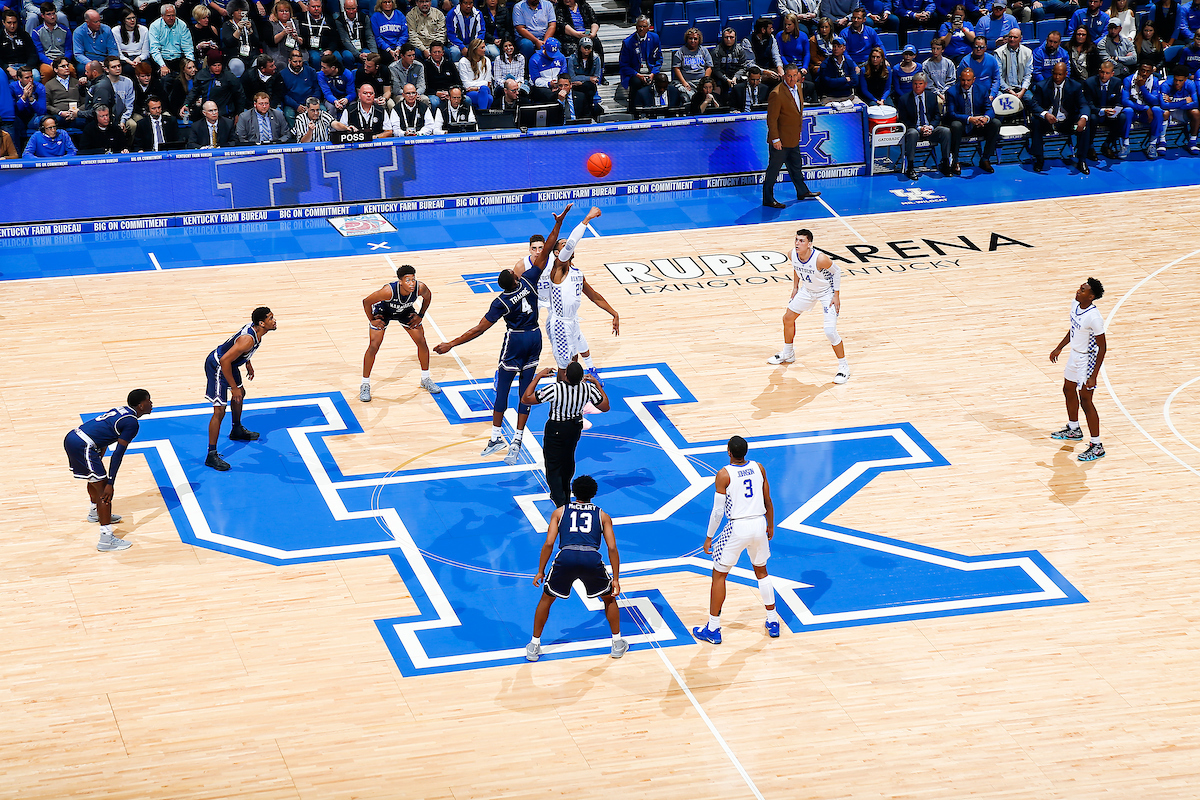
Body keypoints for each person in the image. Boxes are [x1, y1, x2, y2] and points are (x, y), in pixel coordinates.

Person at [433, 204, 572, 466]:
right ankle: (518, 439)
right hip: (535, 338)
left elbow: (478, 329)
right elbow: (549, 247)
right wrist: (558, 223)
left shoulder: (501, 301)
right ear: (516, 280)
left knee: (503, 389)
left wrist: (451, 343)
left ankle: (497, 436)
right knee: (527, 390)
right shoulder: (530, 279)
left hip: (516, 340)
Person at [527, 475, 626, 661]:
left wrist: (541, 570)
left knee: (546, 599)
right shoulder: (603, 515)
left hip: (566, 557)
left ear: (573, 491)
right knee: (609, 599)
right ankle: (617, 643)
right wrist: (616, 579)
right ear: (594, 494)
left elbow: (549, 543)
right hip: (591, 558)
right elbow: (612, 548)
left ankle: (534, 645)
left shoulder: (559, 512)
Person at [692, 435, 779, 644]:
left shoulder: (724, 474)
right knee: (762, 571)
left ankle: (713, 628)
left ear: (729, 452)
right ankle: (773, 620)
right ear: (745, 452)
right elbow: (768, 499)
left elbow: (717, 511)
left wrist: (709, 537)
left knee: (719, 575)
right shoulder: (759, 467)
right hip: (759, 523)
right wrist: (770, 524)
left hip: (737, 528)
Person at [63, 388, 154, 552]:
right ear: (141, 405)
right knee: (104, 492)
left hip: (75, 437)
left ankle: (94, 513)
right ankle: (106, 540)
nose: (151, 403)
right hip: (84, 445)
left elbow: (104, 438)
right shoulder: (132, 423)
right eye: (149, 400)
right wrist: (110, 483)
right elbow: (118, 454)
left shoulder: (121, 411)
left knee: (96, 479)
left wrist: (98, 462)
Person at [535, 206, 617, 386]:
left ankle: (573, 394)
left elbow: (595, 296)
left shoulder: (578, 273)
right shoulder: (558, 268)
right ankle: (560, 398)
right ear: (557, 253)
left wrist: (614, 313)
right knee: (563, 368)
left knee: (574, 363)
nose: (566, 245)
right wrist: (586, 219)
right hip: (559, 322)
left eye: (565, 244)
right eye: (562, 245)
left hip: (572, 321)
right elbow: (572, 242)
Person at [766, 228, 849, 383]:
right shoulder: (792, 254)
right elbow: (797, 268)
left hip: (826, 293)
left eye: (802, 241)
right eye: (796, 240)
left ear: (809, 244)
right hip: (807, 291)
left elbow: (836, 272)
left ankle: (844, 368)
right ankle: (788, 353)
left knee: (830, 331)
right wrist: (796, 287)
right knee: (787, 318)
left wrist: (836, 295)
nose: (798, 243)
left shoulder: (820, 258)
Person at [520, 363, 609, 507]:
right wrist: (597, 384)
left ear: (565, 375)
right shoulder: (588, 388)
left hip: (556, 428)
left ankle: (561, 502)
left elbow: (525, 399)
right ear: (581, 377)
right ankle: (565, 492)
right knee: (568, 460)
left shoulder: (555, 389)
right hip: (574, 428)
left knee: (553, 464)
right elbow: (605, 406)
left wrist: (538, 376)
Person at [204, 307, 278, 471]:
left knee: (241, 394)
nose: (274, 321)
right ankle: (211, 454)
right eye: (271, 318)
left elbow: (242, 352)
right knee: (219, 411)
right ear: (261, 323)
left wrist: (248, 363)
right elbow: (224, 361)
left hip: (230, 363)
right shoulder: (248, 339)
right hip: (218, 366)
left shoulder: (257, 333)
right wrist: (234, 388)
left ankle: (236, 429)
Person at [360, 264, 441, 401]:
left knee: (421, 342)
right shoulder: (388, 291)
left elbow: (428, 297)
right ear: (400, 282)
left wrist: (420, 315)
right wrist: (372, 320)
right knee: (374, 346)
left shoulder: (420, 288)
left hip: (405, 311)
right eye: (407, 280)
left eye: (413, 279)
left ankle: (425, 379)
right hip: (383, 312)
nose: (411, 283)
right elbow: (366, 302)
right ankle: (365, 384)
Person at [1049, 278, 1106, 462]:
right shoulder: (1075, 304)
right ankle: (1074, 429)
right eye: (1080, 288)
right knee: (1067, 389)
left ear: (1091, 296)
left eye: (1083, 290)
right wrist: (1060, 347)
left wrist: (1093, 375)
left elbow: (1103, 347)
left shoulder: (1094, 318)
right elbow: (1073, 328)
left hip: (1087, 359)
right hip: (1075, 354)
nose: (1078, 291)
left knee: (1086, 401)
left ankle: (1097, 445)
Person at [764, 63, 820, 209]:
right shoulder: (776, 93)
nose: (792, 79)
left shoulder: (799, 88)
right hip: (780, 141)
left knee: (796, 166)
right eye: (789, 76)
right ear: (784, 76)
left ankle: (802, 192)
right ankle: (768, 199)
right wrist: (775, 139)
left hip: (793, 138)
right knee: (773, 170)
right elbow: (772, 119)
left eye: (795, 75)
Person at [1028, 61, 1089, 172]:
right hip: (1048, 122)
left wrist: (1083, 118)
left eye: (1060, 74)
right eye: (1055, 73)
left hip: (1067, 122)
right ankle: (1039, 159)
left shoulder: (1075, 86)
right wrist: (1045, 114)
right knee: (1035, 121)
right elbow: (1034, 104)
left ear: (1066, 74)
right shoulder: (1042, 86)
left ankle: (1082, 160)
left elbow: (1083, 104)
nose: (1057, 77)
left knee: (1085, 125)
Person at [897, 71, 951, 177]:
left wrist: (930, 127)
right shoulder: (904, 99)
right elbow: (904, 120)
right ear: (912, 84)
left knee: (946, 131)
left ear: (925, 85)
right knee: (912, 133)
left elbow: (936, 115)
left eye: (920, 84)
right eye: (915, 84)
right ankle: (911, 167)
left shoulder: (931, 96)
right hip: (915, 129)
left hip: (930, 128)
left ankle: (945, 163)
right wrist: (919, 128)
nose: (917, 86)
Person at [945, 66, 1000, 172]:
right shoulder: (951, 92)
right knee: (955, 125)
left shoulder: (982, 89)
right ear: (959, 78)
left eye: (968, 80)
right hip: (962, 125)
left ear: (973, 80)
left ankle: (985, 159)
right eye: (963, 80)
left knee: (995, 123)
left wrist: (985, 118)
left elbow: (990, 109)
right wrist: (970, 119)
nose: (966, 83)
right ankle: (955, 161)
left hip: (978, 125)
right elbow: (951, 114)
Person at [1084, 59, 1125, 157]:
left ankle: (1107, 145)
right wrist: (1102, 111)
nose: (1104, 75)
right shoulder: (1089, 83)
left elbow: (1118, 101)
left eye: (1107, 73)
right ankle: (1090, 147)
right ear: (1099, 71)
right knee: (1092, 118)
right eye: (1102, 72)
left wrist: (1116, 109)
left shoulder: (1117, 82)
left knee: (1122, 117)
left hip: (1110, 114)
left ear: (1112, 74)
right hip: (1096, 113)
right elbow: (1088, 104)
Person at [1122, 60, 1162, 158]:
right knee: (1127, 111)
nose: (1144, 73)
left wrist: (1142, 87)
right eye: (1142, 70)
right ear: (1138, 70)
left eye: (1147, 71)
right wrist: (1144, 108)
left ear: (1152, 71)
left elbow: (1155, 101)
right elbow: (1125, 101)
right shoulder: (1128, 80)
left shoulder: (1155, 80)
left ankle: (1152, 145)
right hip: (1134, 112)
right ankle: (1125, 144)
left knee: (1157, 110)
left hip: (1147, 115)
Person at [618, 15, 659, 109]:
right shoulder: (628, 42)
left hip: (650, 71)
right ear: (636, 27)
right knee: (636, 82)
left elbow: (659, 59)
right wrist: (638, 75)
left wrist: (652, 73)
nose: (641, 29)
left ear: (649, 27)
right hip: (635, 73)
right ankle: (634, 109)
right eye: (639, 26)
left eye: (644, 26)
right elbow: (624, 65)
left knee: (662, 79)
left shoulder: (655, 38)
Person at [1159, 65, 1199, 153]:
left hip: (1182, 112)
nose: (1177, 83)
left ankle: (1192, 142)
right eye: (1175, 80)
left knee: (1196, 112)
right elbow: (1163, 105)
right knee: (1164, 112)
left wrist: (1171, 103)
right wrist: (1184, 101)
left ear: (1185, 79)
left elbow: (1196, 103)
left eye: (1180, 80)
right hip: (1170, 113)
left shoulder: (1190, 84)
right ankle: (1162, 142)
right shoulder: (1166, 85)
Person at [148, 2, 193, 78]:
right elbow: (154, 49)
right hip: (162, 58)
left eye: (173, 15)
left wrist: (190, 62)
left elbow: (188, 47)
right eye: (169, 16)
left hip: (179, 58)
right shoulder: (154, 26)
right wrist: (162, 65)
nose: (171, 18)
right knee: (166, 79)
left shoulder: (182, 25)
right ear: (162, 16)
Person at [672, 27, 713, 101]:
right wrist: (684, 83)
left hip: (701, 82)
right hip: (687, 82)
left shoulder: (704, 51)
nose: (693, 41)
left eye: (695, 39)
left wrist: (704, 81)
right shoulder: (680, 52)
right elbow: (676, 68)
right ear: (687, 39)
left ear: (699, 40)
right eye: (690, 38)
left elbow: (709, 67)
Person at [814, 35, 857, 101]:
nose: (836, 49)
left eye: (839, 46)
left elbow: (854, 81)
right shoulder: (826, 64)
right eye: (834, 46)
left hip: (848, 96)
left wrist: (836, 83)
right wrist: (844, 79)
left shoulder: (849, 63)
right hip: (830, 97)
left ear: (844, 48)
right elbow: (827, 83)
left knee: (863, 107)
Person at [994, 26, 1033, 101]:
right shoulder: (998, 52)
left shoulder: (1027, 52)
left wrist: (1022, 91)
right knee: (1001, 101)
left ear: (1020, 38)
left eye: (1015, 37)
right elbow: (998, 76)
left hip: (1021, 88)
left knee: (1030, 99)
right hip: (1004, 89)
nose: (1012, 39)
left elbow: (1028, 75)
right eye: (1010, 37)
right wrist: (1009, 91)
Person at [336, 0, 377, 69]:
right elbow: (345, 40)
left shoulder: (364, 17)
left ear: (357, 7)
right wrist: (358, 55)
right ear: (344, 8)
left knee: (369, 55)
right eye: (348, 9)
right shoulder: (339, 20)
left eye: (353, 8)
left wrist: (374, 53)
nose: (351, 11)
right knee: (348, 56)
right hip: (347, 49)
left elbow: (369, 36)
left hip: (362, 47)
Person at [566, 36, 600, 116]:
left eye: (589, 47)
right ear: (580, 47)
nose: (587, 50)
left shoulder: (596, 58)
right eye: (585, 47)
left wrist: (582, 82)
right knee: (584, 91)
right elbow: (572, 78)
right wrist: (589, 78)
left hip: (589, 86)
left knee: (590, 89)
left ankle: (588, 114)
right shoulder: (572, 59)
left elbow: (596, 77)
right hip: (577, 86)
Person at [457, 36, 491, 108]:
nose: (485, 50)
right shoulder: (463, 62)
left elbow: (488, 83)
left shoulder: (487, 60)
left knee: (484, 90)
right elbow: (466, 85)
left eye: (484, 47)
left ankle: (481, 115)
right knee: (489, 98)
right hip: (470, 92)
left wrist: (474, 87)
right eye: (482, 48)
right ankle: (483, 115)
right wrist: (481, 86)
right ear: (474, 49)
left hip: (484, 90)